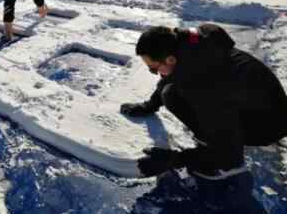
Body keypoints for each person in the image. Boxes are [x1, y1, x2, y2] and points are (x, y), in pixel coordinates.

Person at [120, 24, 287, 213]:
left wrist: (175, 159)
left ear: (170, 59)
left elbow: (227, 153)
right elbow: (171, 77)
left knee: (221, 154)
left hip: (266, 126)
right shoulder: (193, 47)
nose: (156, 73)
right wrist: (150, 105)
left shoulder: (206, 87)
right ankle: (212, 138)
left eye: (153, 68)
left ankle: (214, 161)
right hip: (254, 104)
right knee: (170, 93)